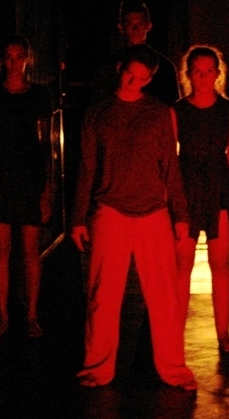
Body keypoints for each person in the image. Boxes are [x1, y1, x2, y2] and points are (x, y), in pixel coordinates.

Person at [70, 44, 196, 389]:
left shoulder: (158, 113)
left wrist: (181, 215)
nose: (132, 82)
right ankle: (97, 367)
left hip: (153, 211)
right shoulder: (97, 113)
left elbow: (170, 166)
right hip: (109, 210)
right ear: (119, 68)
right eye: (129, 74)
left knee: (165, 297)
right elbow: (87, 167)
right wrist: (78, 217)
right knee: (102, 296)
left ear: (149, 79)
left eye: (141, 78)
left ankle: (174, 369)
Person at [0, 34, 52, 338]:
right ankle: (3, 317)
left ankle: (32, 315)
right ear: (2, 61)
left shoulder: (39, 96)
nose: (13, 62)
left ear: (27, 59)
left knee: (30, 250)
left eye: (18, 56)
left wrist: (47, 190)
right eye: (9, 57)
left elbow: (46, 146)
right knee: (1, 249)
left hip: (29, 178)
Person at [174, 45, 229, 353]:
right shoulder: (176, 111)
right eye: (197, 72)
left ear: (217, 74)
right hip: (187, 188)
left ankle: (223, 335)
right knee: (182, 266)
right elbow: (169, 160)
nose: (203, 77)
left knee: (220, 264)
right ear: (189, 74)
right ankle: (174, 338)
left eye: (208, 71)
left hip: (219, 188)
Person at [93, 0, 180, 105]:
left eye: (140, 24)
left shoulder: (165, 67)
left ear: (149, 26)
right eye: (129, 24)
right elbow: (99, 103)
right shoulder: (109, 66)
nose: (135, 28)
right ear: (121, 27)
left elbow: (172, 107)